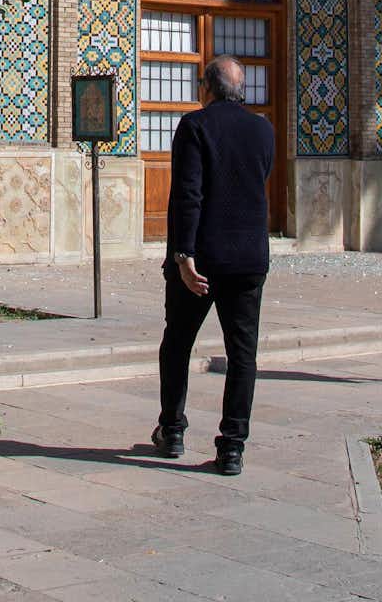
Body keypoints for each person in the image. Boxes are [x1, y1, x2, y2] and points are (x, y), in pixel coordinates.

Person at [153, 54, 274, 476]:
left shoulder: (195, 126)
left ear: (206, 88)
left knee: (178, 343)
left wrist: (183, 255)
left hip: (201, 262)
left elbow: (189, 195)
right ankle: (233, 447)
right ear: (241, 90)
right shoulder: (263, 129)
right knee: (243, 356)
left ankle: (172, 430)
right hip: (247, 261)